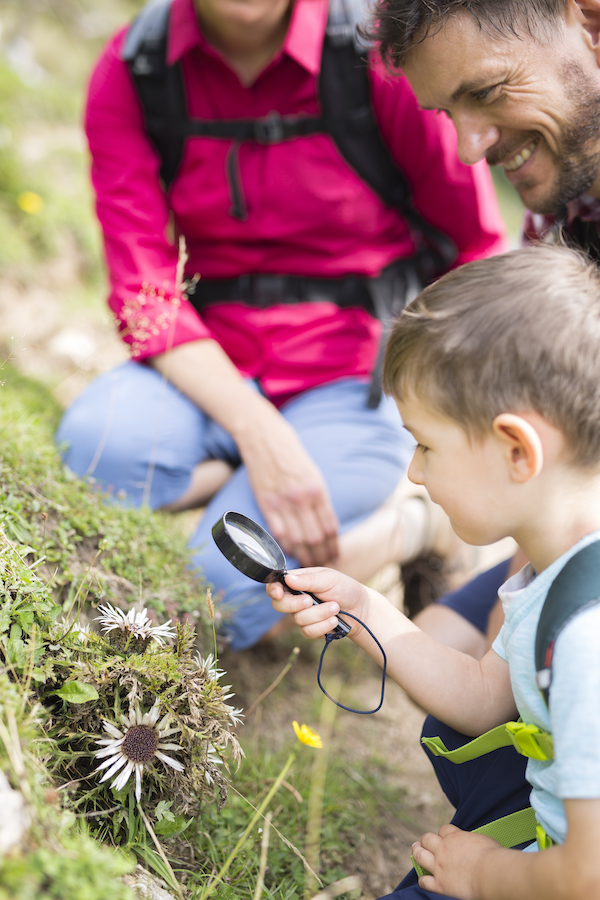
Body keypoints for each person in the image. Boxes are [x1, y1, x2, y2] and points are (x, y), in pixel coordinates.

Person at [56, 0, 505, 650]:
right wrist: (259, 431)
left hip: (356, 376)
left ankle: (411, 525)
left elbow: (475, 247)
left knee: (213, 590)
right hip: (208, 367)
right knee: (91, 451)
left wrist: (430, 407)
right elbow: (144, 293)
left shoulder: (379, 58)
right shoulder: (135, 70)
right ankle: (256, 471)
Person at [268, 243, 600, 900]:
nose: (413, 472)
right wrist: (362, 604)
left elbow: (587, 875)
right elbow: (485, 696)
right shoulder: (554, 563)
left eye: (426, 444)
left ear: (516, 451)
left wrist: (481, 874)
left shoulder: (587, 638)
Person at [359, 0, 600, 657]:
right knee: (445, 654)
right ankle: (426, 533)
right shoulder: (565, 219)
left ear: (591, 24)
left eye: (488, 92)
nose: (469, 150)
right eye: (446, 114)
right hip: (575, 516)